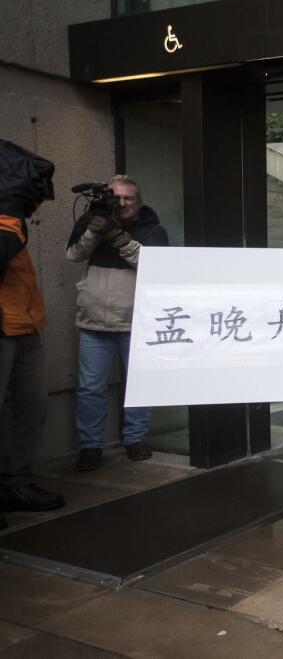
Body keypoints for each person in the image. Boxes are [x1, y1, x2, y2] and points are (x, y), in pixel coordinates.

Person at [67, 175, 169, 471]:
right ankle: (90, 446)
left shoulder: (153, 230)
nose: (122, 203)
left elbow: (152, 264)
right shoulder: (93, 224)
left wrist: (118, 236)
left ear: (139, 201)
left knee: (137, 385)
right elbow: (73, 254)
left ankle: (135, 438)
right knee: (89, 389)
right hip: (93, 322)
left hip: (135, 322)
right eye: (117, 197)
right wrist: (94, 231)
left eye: (129, 198)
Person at [0, 139, 65, 525]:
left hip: (25, 324)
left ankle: (15, 482)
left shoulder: (11, 219)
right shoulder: (8, 222)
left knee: (31, 408)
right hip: (2, 328)